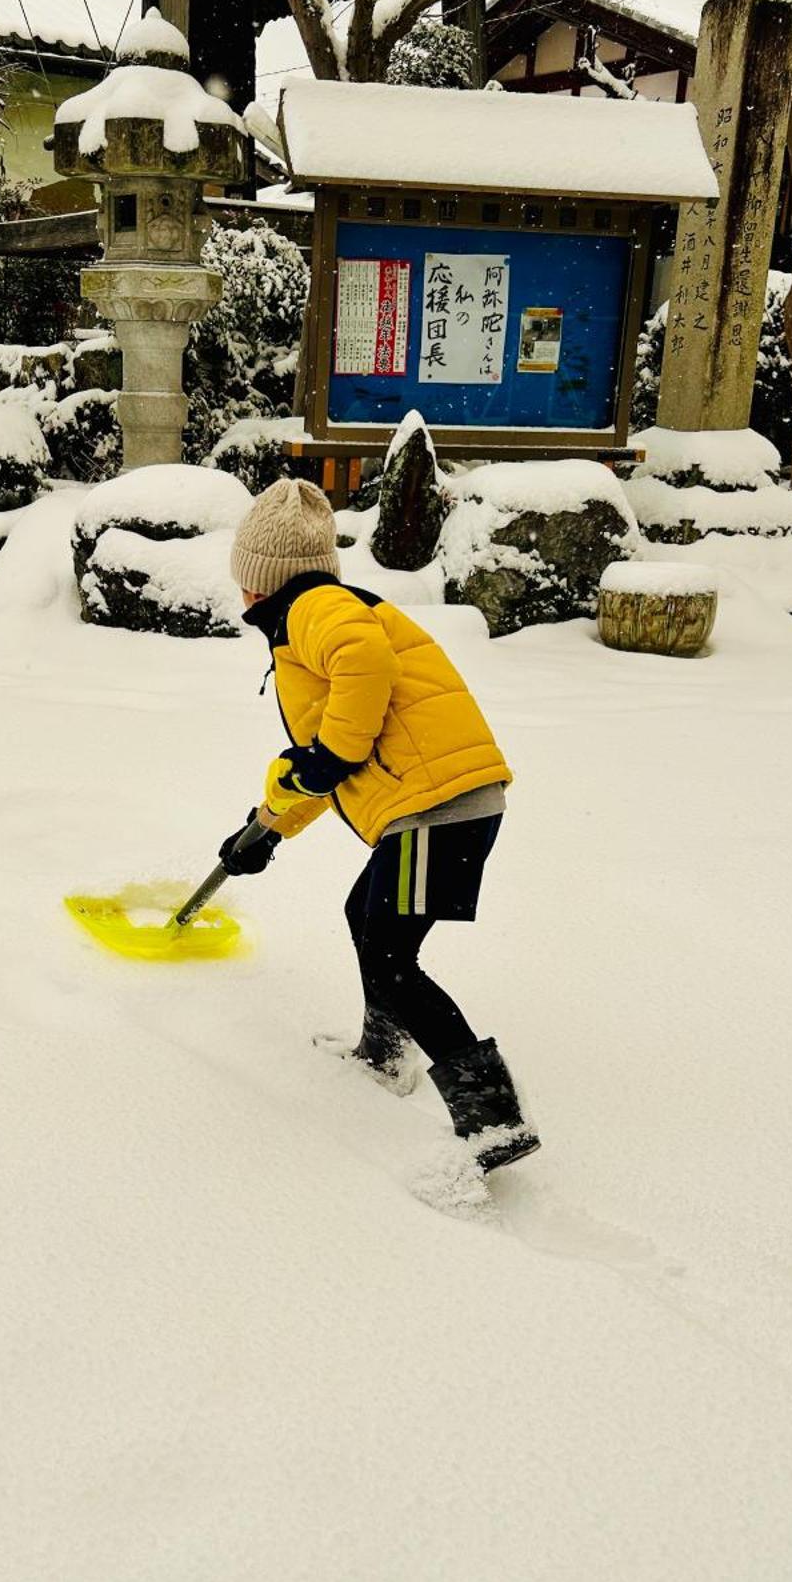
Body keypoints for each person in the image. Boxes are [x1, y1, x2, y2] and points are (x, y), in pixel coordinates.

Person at [219, 476, 539, 1173]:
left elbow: (351, 697)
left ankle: (493, 1122)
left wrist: (330, 756)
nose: (242, 593)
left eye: (247, 580)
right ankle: (384, 1054)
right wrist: (266, 828)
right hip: (433, 805)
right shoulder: (310, 618)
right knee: (366, 917)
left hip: (437, 807)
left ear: (266, 579)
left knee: (393, 961)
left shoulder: (316, 606)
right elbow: (319, 764)